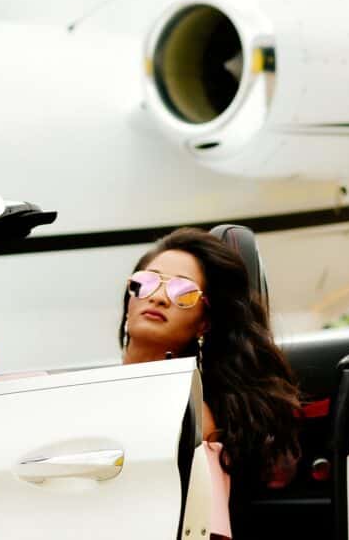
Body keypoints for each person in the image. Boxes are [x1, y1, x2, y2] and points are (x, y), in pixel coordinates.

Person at [119, 227, 301, 539]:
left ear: (204, 322)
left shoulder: (197, 420)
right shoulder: (89, 391)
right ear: (129, 298)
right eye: (146, 282)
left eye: (183, 292)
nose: (159, 297)